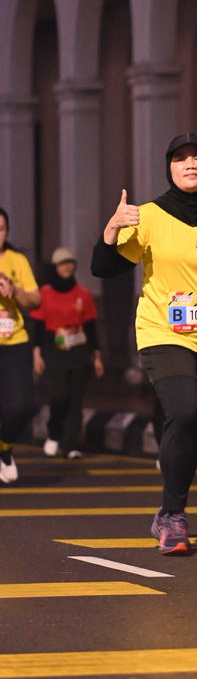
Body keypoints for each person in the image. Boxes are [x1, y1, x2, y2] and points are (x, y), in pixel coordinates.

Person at [91, 132, 197, 554]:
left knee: (190, 424)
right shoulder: (148, 215)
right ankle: (172, 515)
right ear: (169, 168)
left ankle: (169, 509)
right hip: (162, 332)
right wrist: (111, 229)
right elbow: (103, 268)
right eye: (180, 158)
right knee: (184, 413)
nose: (190, 165)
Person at [31, 247, 104, 459]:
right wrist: (37, 355)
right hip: (54, 350)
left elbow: (91, 327)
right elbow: (37, 327)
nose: (67, 267)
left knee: (75, 399)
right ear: (55, 267)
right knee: (59, 395)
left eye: (70, 263)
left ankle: (71, 445)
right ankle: (54, 432)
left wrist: (97, 356)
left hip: (79, 351)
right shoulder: (44, 293)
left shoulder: (83, 294)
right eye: (63, 263)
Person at [0, 207, 41, 484]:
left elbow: (35, 301)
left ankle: (4, 447)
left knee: (22, 406)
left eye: (1, 229)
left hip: (15, 341)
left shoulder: (17, 261)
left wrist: (14, 291)